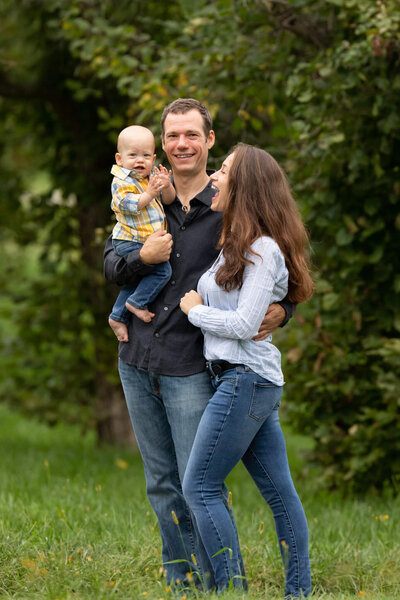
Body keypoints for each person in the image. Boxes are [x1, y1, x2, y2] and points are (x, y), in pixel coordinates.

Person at [103, 99, 296, 591]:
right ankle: (181, 582)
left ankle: (221, 581)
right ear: (162, 144)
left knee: (200, 486)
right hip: (137, 357)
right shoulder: (145, 195)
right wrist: (141, 258)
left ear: (209, 140)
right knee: (161, 483)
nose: (181, 144)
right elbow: (110, 264)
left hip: (192, 366)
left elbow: (279, 270)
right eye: (172, 136)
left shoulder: (231, 203)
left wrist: (284, 310)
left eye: (192, 134)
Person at [179, 143, 313, 597]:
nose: (214, 177)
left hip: (244, 378)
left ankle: (231, 589)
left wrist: (195, 311)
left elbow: (243, 325)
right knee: (280, 494)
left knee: (199, 487)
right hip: (241, 378)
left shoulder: (262, 250)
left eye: (223, 170)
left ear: (246, 186)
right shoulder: (236, 245)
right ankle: (298, 592)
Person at [108, 125, 175, 343]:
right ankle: (136, 303)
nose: (140, 160)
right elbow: (130, 205)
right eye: (133, 155)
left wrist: (166, 186)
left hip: (144, 240)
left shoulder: (151, 177)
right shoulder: (121, 180)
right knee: (162, 271)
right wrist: (149, 193)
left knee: (139, 278)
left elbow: (168, 201)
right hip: (129, 240)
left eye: (146, 155)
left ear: (154, 158)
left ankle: (117, 316)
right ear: (120, 158)